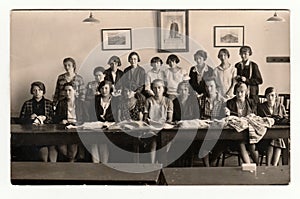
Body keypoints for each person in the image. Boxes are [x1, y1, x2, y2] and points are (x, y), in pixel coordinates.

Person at [19, 81, 57, 162]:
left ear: (43, 91)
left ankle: (51, 166)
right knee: (40, 149)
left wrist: (45, 118)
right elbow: (21, 120)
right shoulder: (27, 104)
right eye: (34, 90)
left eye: (40, 90)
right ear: (32, 91)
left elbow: (54, 119)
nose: (37, 93)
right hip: (32, 133)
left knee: (51, 147)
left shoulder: (49, 103)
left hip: (47, 132)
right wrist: (30, 118)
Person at [225, 82, 259, 165]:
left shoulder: (251, 102)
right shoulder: (230, 103)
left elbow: (256, 117)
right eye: (237, 92)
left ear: (246, 92)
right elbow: (227, 119)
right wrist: (227, 113)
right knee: (240, 143)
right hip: (235, 133)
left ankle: (258, 166)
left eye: (242, 92)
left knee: (252, 146)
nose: (239, 94)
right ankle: (249, 167)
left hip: (250, 132)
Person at [54, 82, 87, 162]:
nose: (67, 93)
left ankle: (71, 162)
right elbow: (55, 119)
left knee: (73, 145)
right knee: (61, 147)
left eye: (70, 90)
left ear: (75, 91)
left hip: (76, 129)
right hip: (64, 129)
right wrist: (61, 121)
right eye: (65, 91)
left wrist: (78, 122)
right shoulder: (61, 103)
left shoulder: (81, 103)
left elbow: (86, 119)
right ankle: (72, 160)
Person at [198, 77, 226, 167]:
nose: (209, 89)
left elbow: (224, 117)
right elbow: (198, 115)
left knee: (221, 145)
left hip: (217, 129)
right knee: (203, 142)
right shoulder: (201, 99)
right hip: (204, 128)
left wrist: (226, 113)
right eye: (206, 86)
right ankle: (207, 167)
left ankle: (209, 163)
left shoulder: (222, 100)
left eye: (211, 86)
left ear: (216, 87)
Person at [143, 79, 173, 163]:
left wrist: (163, 125)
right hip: (151, 128)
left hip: (164, 128)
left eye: (159, 88)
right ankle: (152, 166)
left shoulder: (168, 101)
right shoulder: (148, 101)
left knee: (164, 145)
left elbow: (169, 119)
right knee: (153, 143)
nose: (157, 90)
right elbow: (145, 118)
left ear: (163, 89)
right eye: (155, 88)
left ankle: (162, 165)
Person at [257, 87, 288, 166]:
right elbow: (258, 119)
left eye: (272, 95)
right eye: (268, 95)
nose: (270, 98)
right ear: (266, 97)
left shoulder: (281, 107)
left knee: (276, 138)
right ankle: (272, 166)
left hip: (277, 134)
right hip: (264, 135)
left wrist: (279, 119)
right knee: (274, 139)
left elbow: (286, 119)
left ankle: (271, 165)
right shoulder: (261, 107)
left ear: (276, 96)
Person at [90, 80, 115, 163]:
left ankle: (104, 165)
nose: (104, 91)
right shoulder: (95, 100)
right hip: (97, 126)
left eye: (106, 88)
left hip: (110, 127)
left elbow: (115, 116)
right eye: (102, 88)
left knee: (103, 142)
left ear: (110, 89)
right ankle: (96, 164)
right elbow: (92, 115)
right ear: (99, 89)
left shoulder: (115, 100)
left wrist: (107, 120)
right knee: (94, 142)